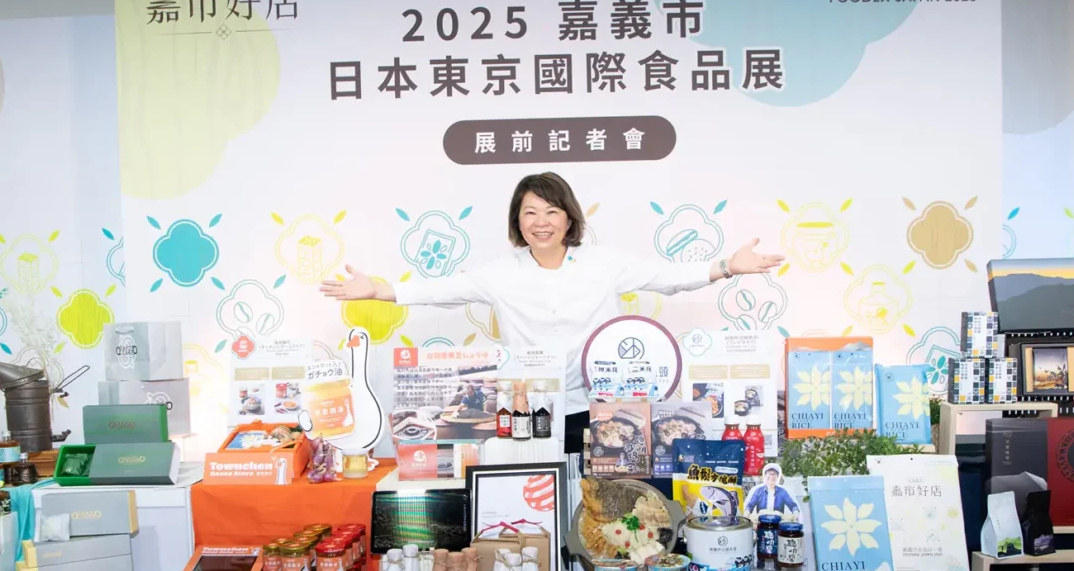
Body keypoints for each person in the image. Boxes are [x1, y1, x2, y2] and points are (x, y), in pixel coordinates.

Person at [320, 172, 783, 454]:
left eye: (551, 211)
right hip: (528, 411)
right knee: (537, 504)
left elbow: (667, 277)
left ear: (569, 218)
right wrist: (378, 290)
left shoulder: (604, 264)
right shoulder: (501, 272)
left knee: (601, 505)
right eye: (529, 213)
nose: (541, 222)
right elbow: (439, 290)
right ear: (517, 222)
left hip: (598, 408)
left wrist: (727, 267)